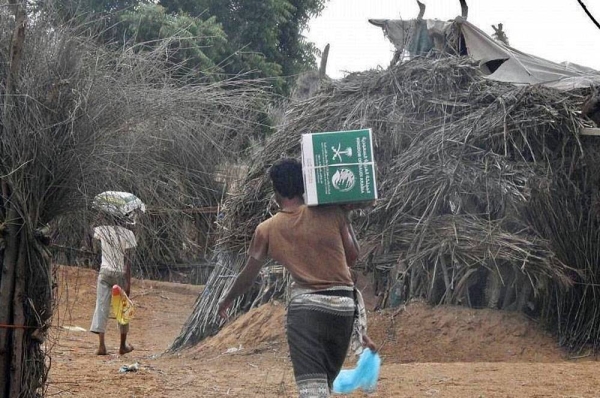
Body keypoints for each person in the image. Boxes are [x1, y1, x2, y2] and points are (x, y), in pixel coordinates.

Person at [218, 158, 376, 398]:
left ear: (276, 191)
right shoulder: (331, 212)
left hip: (307, 313)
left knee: (313, 390)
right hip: (343, 309)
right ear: (305, 185)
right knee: (325, 384)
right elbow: (352, 256)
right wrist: (344, 215)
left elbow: (248, 276)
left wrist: (226, 300)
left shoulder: (267, 229)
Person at [90, 212, 137, 355]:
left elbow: (91, 229)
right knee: (122, 309)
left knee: (101, 306)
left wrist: (98, 217)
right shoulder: (128, 234)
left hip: (104, 272)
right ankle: (122, 346)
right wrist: (128, 283)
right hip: (119, 274)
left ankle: (101, 346)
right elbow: (128, 261)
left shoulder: (103, 230)